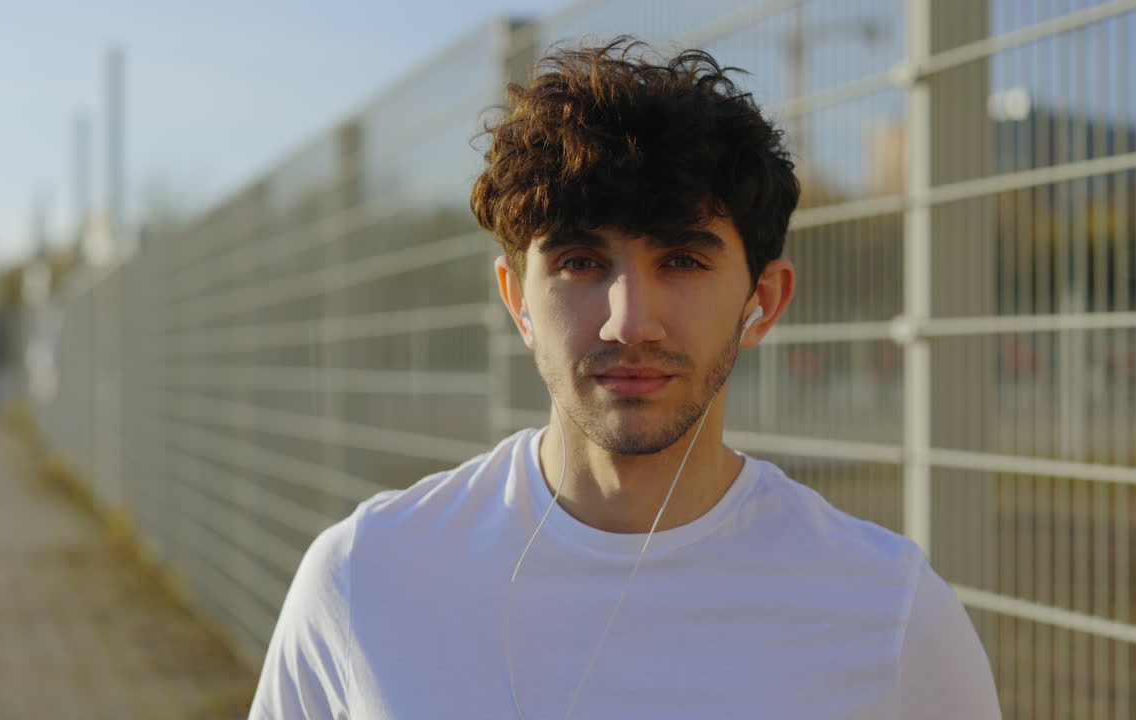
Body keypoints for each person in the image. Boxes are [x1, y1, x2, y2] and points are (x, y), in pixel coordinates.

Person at [249, 38, 1001, 720]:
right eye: (580, 262)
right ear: (516, 301)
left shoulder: (889, 614)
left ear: (763, 301)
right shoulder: (365, 577)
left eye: (683, 260)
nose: (629, 321)